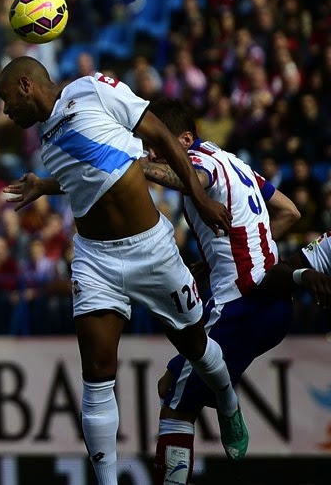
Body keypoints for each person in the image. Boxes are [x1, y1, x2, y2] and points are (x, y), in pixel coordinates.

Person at [0, 57, 246, 485]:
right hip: (96, 260)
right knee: (96, 374)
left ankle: (226, 398)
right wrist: (43, 185)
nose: (5, 111)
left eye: (6, 100)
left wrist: (199, 197)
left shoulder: (93, 89)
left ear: (26, 85)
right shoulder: (46, 142)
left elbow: (159, 135)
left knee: (195, 345)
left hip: (152, 250)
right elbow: (90, 176)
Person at [139, 98, 300, 485]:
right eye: (147, 145)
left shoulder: (202, 162)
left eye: (157, 143)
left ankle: (228, 404)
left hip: (240, 305)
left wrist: (136, 165)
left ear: (185, 140)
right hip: (276, 303)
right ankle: (227, 400)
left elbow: (193, 177)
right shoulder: (234, 162)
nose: (151, 153)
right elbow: (289, 211)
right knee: (173, 385)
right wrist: (227, 256)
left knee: (175, 404)